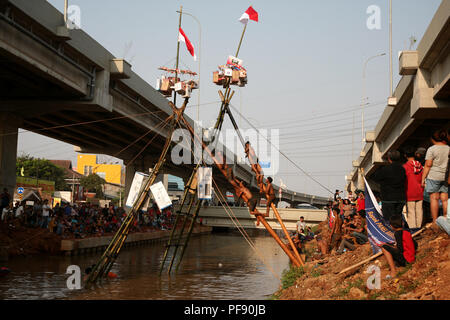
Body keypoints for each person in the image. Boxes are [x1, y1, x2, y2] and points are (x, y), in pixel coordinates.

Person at [421, 129, 449, 227]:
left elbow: (428, 165)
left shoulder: (432, 149)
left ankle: (435, 221)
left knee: (434, 198)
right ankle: (446, 218)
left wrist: (423, 179)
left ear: (433, 139)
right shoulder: (448, 148)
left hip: (434, 176)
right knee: (445, 199)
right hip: (445, 177)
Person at [370, 150, 406, 222]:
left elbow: (376, 177)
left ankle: (392, 232)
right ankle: (399, 231)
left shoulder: (385, 169)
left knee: (389, 220)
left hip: (388, 199)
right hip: (400, 198)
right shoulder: (402, 169)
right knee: (398, 217)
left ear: (389, 158)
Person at [381, 215, 417, 279]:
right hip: (412, 258)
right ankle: (397, 265)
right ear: (402, 223)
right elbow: (415, 245)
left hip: (406, 260)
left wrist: (393, 247)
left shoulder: (397, 233)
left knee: (384, 247)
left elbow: (400, 249)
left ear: (391, 226)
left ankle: (393, 271)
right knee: (389, 246)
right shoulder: (407, 232)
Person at [403, 146, 425, 230]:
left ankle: (413, 228)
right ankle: (419, 227)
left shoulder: (405, 167)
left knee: (411, 211)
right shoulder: (420, 166)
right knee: (419, 210)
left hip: (409, 191)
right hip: (420, 191)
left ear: (405, 155)